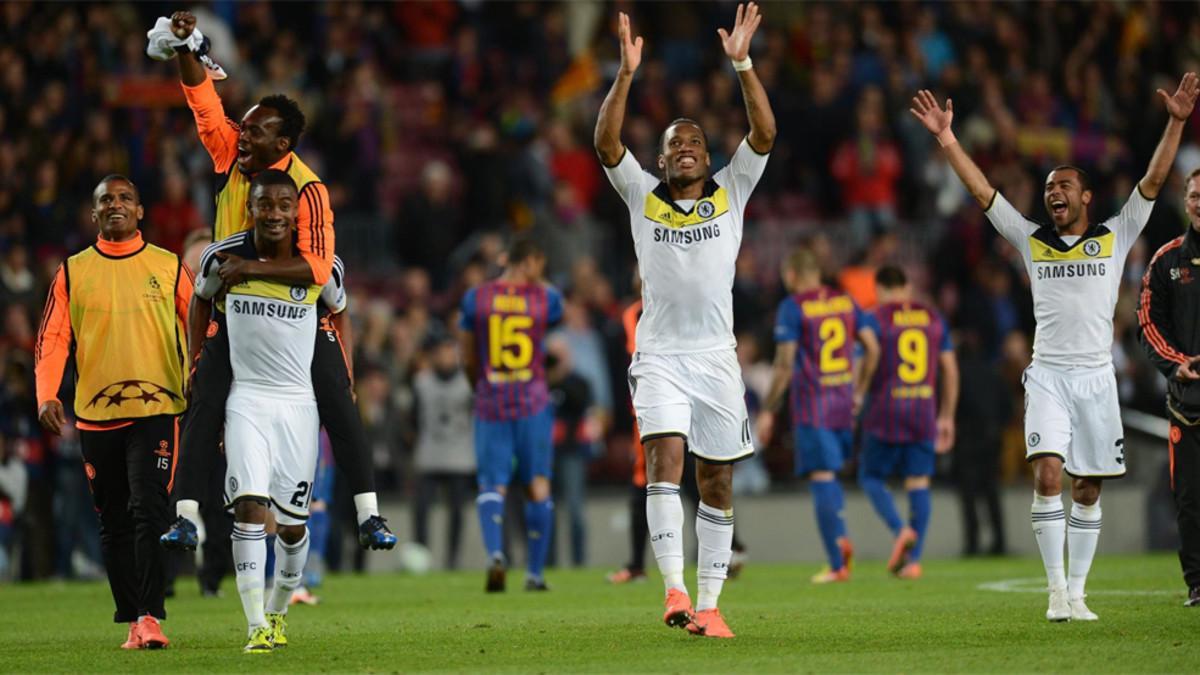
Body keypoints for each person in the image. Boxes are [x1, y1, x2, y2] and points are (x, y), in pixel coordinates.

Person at [910, 72, 1198, 620]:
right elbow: (981, 191)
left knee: (1087, 487)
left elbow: (1155, 179)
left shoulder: (1116, 234)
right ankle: (1056, 593)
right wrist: (947, 138)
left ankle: (1080, 592)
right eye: (1048, 188)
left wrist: (1176, 122)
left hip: (1096, 379)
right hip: (1047, 376)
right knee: (1047, 474)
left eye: (1062, 186)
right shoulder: (1031, 239)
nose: (1053, 194)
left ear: (1085, 196)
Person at [158, 10, 394, 552]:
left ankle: (368, 514)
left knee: (339, 398)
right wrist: (184, 47)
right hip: (233, 308)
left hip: (293, 313)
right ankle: (187, 517)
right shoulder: (231, 155)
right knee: (201, 399)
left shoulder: (309, 190)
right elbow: (202, 104)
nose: (241, 136)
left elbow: (315, 268)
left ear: (283, 142)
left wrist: (251, 268)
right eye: (243, 126)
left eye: (256, 130)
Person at [594, 3, 776, 638]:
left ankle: (709, 605)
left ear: (708, 153)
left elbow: (765, 133)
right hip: (662, 357)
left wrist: (743, 64)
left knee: (717, 479)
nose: (688, 150)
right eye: (676, 145)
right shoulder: (642, 195)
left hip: (718, 359)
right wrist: (624, 75)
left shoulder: (734, 190)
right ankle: (672, 590)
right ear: (663, 160)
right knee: (665, 459)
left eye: (696, 141)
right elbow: (605, 144)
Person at [34, 175, 189, 649]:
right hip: (95, 415)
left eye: (125, 198)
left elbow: (201, 327)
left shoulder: (168, 265)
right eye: (106, 200)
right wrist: (46, 393)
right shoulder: (73, 271)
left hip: (158, 408)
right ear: (94, 213)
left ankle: (151, 617)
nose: (116, 205)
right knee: (114, 519)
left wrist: (204, 383)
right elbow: (53, 337)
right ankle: (132, 618)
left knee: (150, 510)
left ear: (141, 211)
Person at [192, 170, 343, 652]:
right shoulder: (221, 256)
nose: (274, 212)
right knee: (249, 506)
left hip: (299, 404)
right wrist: (197, 362)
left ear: (296, 211)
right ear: (250, 208)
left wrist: (347, 377)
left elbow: (340, 312)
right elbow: (200, 301)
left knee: (294, 525)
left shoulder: (322, 266)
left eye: (284, 204)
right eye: (265, 204)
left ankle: (278, 613)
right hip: (247, 399)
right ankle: (256, 624)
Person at [764, 248, 880, 584]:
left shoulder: (792, 307)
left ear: (792, 275)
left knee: (822, 478)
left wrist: (769, 409)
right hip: (844, 406)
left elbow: (784, 365)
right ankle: (840, 540)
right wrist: (859, 390)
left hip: (813, 405)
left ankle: (836, 558)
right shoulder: (845, 301)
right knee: (831, 476)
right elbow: (872, 348)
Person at [459, 238, 563, 592]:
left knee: (492, 483)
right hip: (532, 400)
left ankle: (496, 554)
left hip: (491, 401)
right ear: (530, 259)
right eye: (539, 263)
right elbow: (555, 321)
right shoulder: (545, 298)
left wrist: (479, 384)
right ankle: (534, 573)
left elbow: (468, 355)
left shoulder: (477, 298)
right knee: (537, 483)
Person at [857, 266, 958, 580]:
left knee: (871, 477)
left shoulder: (875, 318)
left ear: (881, 289)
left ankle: (900, 530)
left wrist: (858, 392)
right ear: (908, 286)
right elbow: (950, 370)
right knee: (918, 482)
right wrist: (947, 416)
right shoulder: (932, 317)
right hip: (923, 410)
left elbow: (866, 359)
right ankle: (913, 561)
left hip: (885, 409)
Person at [1136, 166, 1200, 607]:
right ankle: (1198, 583)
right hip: (1188, 401)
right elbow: (1147, 322)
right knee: (1190, 499)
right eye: (1195, 195)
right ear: (1186, 201)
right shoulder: (1167, 260)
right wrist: (1176, 365)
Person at [411, 332, 476, 570]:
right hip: (429, 453)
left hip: (460, 455)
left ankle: (453, 559)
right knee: (421, 509)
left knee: (457, 511)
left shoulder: (468, 382)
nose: (446, 357)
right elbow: (413, 419)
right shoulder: (422, 381)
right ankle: (421, 557)